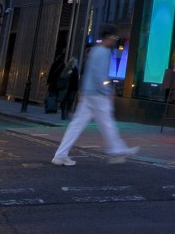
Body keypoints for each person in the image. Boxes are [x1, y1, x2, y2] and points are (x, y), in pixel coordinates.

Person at [51, 26, 139, 167]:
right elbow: (100, 76)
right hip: (98, 95)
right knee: (107, 124)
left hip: (88, 94)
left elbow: (88, 73)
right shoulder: (104, 52)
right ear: (109, 37)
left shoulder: (94, 51)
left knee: (76, 126)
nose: (114, 41)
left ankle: (60, 155)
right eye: (114, 38)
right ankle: (117, 151)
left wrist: (83, 91)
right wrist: (108, 90)